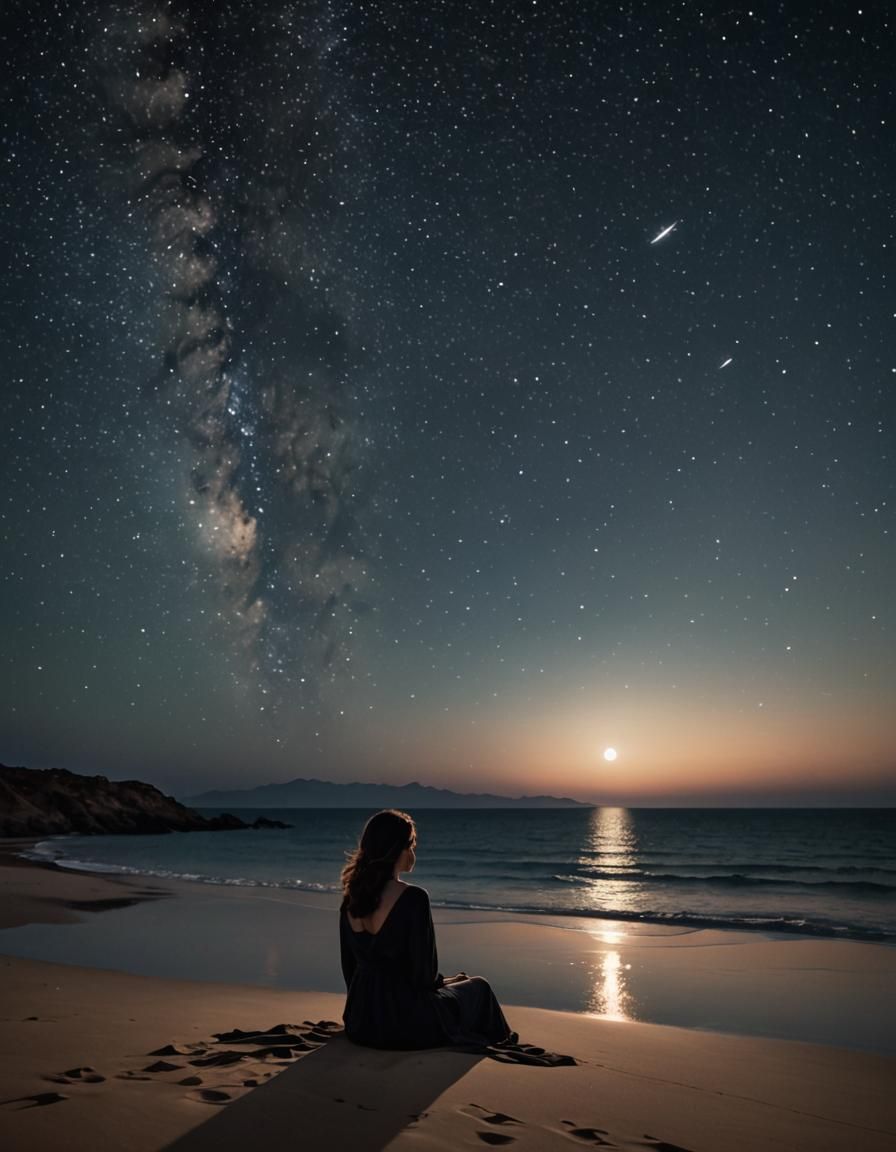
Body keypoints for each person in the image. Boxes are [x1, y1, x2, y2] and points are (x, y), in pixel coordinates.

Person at [339, 808, 514, 1050]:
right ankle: (503, 1042)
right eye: (411, 845)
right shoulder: (413, 897)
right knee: (479, 986)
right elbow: (424, 977)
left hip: (360, 1023)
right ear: (397, 849)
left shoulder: (352, 899)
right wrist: (447, 982)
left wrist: (449, 981)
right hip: (404, 1025)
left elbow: (350, 968)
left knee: (460, 984)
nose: (412, 852)